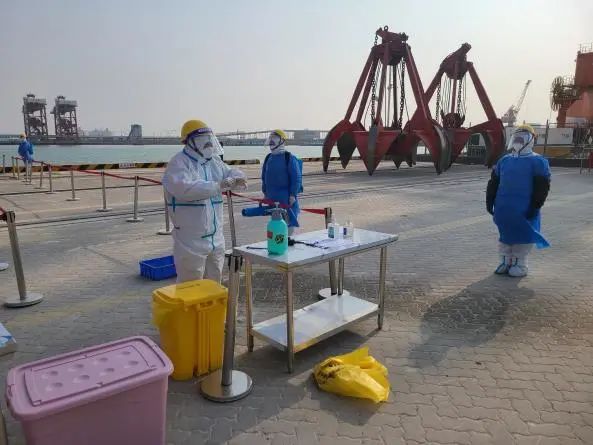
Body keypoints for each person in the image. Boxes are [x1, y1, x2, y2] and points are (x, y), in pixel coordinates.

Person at [162, 120, 247, 284]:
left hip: (216, 237)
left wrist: (238, 177)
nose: (208, 143)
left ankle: (213, 302)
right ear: (190, 141)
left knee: (214, 282)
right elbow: (185, 189)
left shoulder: (214, 162)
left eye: (209, 138)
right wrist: (218, 186)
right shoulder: (178, 163)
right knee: (191, 286)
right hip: (190, 241)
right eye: (203, 139)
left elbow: (231, 171)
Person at [486, 124, 551, 277]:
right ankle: (505, 260)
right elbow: (494, 182)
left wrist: (535, 205)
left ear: (531, 140)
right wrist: (490, 200)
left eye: (522, 138)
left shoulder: (538, 162)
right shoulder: (504, 160)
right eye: (516, 138)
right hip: (504, 209)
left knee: (523, 236)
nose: (518, 141)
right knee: (505, 235)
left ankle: (520, 264)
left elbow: (542, 187)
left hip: (524, 208)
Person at [261, 129, 302, 240]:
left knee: (287, 227)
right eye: (271, 139)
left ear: (281, 141)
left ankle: (286, 243)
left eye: (274, 139)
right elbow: (264, 177)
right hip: (273, 201)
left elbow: (296, 178)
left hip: (287, 201)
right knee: (276, 226)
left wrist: (292, 194)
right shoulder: (268, 158)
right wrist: (265, 193)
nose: (271, 142)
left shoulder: (289, 158)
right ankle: (278, 244)